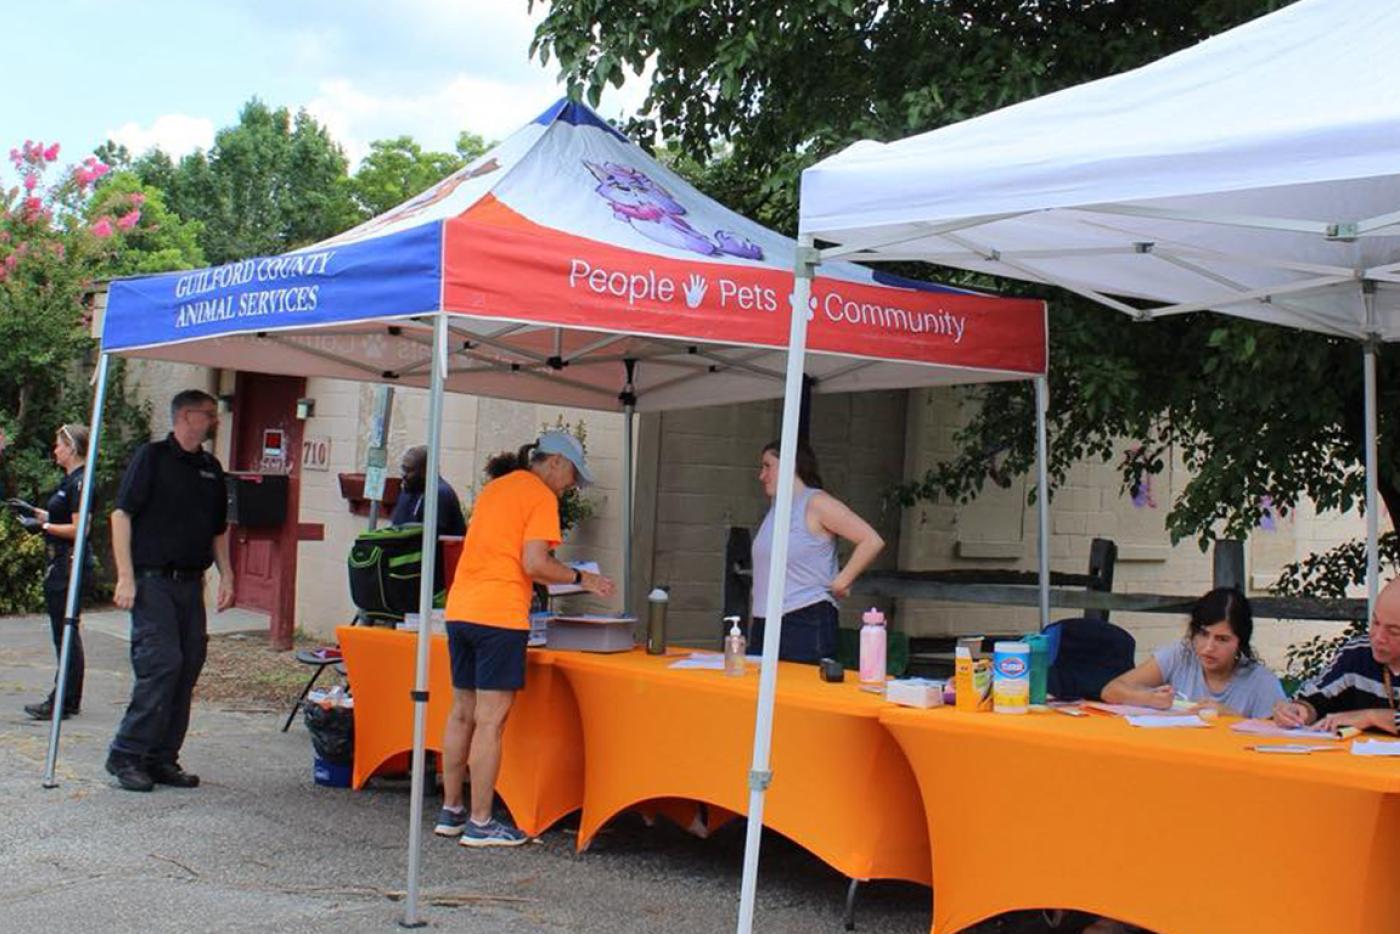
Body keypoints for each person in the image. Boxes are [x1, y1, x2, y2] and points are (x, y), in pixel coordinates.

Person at [434, 430, 614, 846]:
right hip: (499, 615)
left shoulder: (496, 488)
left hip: (461, 608)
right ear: (554, 462)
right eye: (572, 474)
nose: (572, 484)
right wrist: (582, 578)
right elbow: (534, 563)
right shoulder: (540, 498)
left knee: (462, 712)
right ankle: (481, 823)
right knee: (491, 721)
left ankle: (452, 810)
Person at [105, 390, 234, 792]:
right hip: (152, 580)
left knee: (187, 665)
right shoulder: (152, 457)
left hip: (189, 583)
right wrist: (125, 576)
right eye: (209, 414)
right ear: (186, 416)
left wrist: (227, 574)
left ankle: (162, 757)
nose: (214, 420)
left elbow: (218, 530)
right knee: (161, 663)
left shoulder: (212, 468)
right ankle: (126, 754)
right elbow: (121, 514)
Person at [750, 439, 885, 663]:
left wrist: (842, 580)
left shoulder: (816, 503)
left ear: (790, 465)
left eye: (767, 466)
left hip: (804, 619)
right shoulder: (778, 508)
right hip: (765, 621)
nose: (762, 475)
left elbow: (871, 539)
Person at [1101, 587, 1284, 718]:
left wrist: (1233, 717)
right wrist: (1149, 698)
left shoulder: (1261, 681)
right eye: (1203, 634)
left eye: (1222, 639)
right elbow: (1111, 691)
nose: (1209, 647)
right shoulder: (1181, 654)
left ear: (1240, 643)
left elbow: (1276, 738)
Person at [15, 424, 92, 720]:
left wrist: (44, 527)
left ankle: (64, 699)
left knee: (66, 631)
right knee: (64, 632)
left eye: (59, 445)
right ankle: (67, 697)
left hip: (69, 562)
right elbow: (61, 516)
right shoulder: (69, 481)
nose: (55, 450)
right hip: (58, 561)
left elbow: (80, 528)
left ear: (72, 448)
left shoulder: (81, 482)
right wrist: (35, 513)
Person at [1273, 576, 1400, 734]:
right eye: (1375, 623)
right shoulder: (1358, 653)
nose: (1378, 637)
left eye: (1394, 631)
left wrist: (1370, 717)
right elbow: (1314, 698)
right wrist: (1297, 711)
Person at [390, 444, 466, 536]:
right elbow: (396, 527)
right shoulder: (409, 490)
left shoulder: (439, 494)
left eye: (409, 470)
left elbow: (433, 537)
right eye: (403, 469)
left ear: (426, 471)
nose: (404, 475)